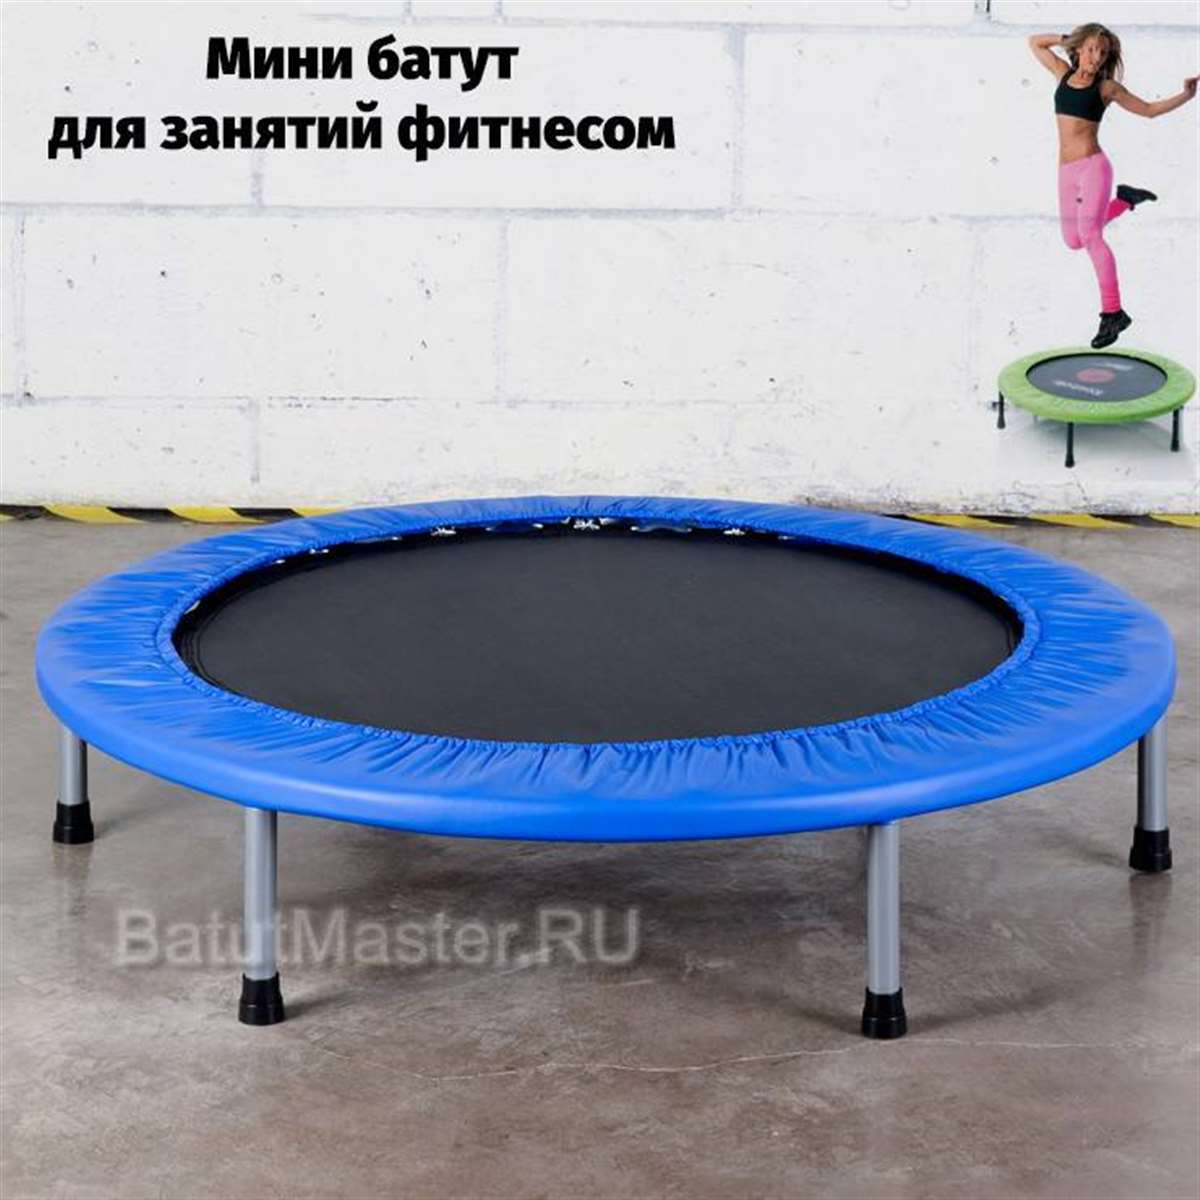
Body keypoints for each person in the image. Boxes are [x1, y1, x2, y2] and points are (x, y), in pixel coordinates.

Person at [1028, 24, 1197, 348]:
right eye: (1091, 49)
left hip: (1094, 168)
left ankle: (1113, 312)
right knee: (1073, 240)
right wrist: (1069, 40)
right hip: (1066, 172)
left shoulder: (1106, 88)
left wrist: (1187, 95)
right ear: (1080, 49)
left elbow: (1149, 110)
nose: (1096, 57)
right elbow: (1035, 43)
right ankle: (1124, 200)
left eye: (1102, 53)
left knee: (1091, 236)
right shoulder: (1062, 73)